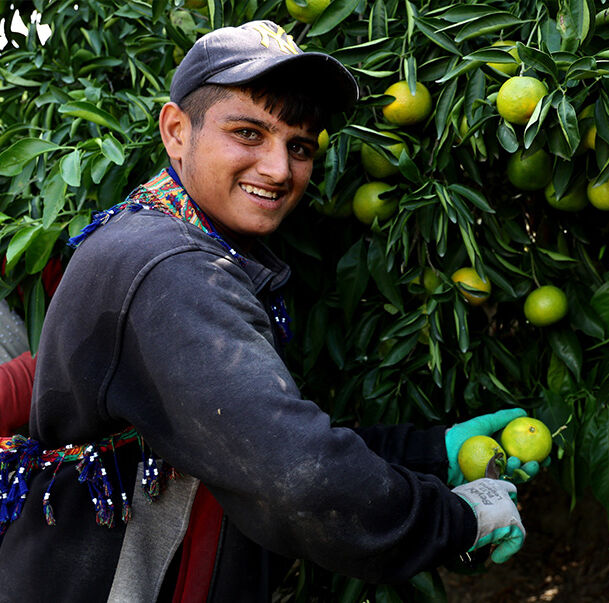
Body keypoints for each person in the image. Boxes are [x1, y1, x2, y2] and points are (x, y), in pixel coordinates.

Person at [0, 21, 528, 601]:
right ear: (177, 131)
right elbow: (297, 478)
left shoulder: (172, 239)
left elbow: (252, 439)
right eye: (249, 132)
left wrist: (434, 454)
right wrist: (455, 522)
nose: (279, 170)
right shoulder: (170, 268)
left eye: (299, 146)